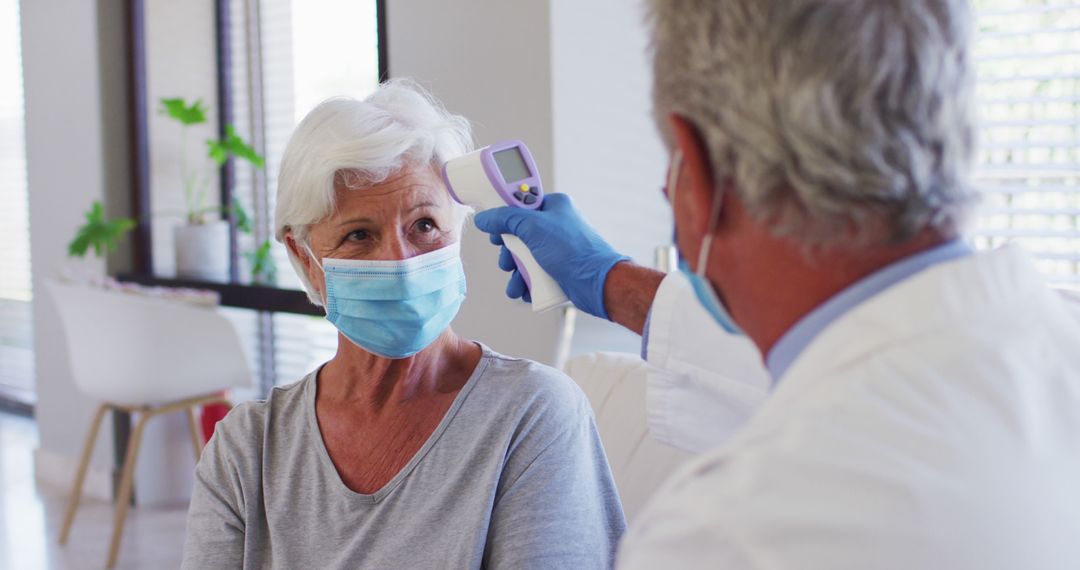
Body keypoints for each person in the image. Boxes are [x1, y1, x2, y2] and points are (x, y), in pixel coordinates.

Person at [473, 0, 1080, 567]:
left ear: (696, 167)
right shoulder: (1050, 340)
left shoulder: (729, 534)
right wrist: (611, 282)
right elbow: (850, 365)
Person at [181, 80, 625, 569]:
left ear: (457, 227)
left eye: (424, 225)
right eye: (359, 234)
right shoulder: (249, 449)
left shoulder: (533, 414)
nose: (400, 260)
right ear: (304, 258)